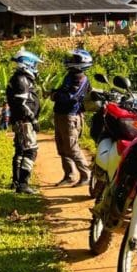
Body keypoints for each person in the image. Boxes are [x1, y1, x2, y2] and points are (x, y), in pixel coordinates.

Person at [52, 48, 93, 187]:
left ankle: (86, 175)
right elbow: (64, 91)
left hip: (70, 116)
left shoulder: (80, 78)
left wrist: (56, 95)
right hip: (61, 115)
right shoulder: (70, 75)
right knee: (62, 147)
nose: (70, 61)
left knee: (72, 147)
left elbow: (70, 97)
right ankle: (69, 175)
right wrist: (56, 93)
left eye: (74, 59)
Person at [6, 49, 42, 194]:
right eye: (34, 64)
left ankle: (17, 181)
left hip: (21, 120)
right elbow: (21, 103)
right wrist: (32, 119)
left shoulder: (20, 78)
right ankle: (23, 183)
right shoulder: (21, 79)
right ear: (27, 64)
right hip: (24, 121)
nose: (36, 67)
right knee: (30, 150)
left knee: (21, 149)